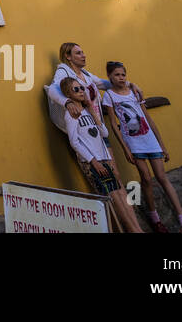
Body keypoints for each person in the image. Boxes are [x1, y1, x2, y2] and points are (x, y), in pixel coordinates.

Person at [102, 61, 182, 233]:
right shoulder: (109, 96)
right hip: (134, 143)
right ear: (109, 77)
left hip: (150, 140)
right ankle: (155, 219)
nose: (120, 78)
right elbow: (114, 125)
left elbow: (148, 118)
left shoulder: (135, 92)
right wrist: (125, 149)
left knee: (162, 177)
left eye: (123, 74)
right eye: (116, 75)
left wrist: (162, 144)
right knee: (145, 178)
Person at [60, 77, 143, 233]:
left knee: (119, 194)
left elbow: (104, 133)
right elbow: (74, 142)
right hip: (92, 162)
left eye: (81, 88)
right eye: (75, 89)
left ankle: (136, 229)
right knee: (113, 199)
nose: (80, 92)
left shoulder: (87, 111)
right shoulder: (71, 114)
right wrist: (94, 162)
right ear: (68, 94)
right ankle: (132, 230)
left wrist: (92, 110)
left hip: (104, 158)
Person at [46, 42, 139, 127]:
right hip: (83, 126)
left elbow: (104, 84)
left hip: (97, 122)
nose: (84, 56)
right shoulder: (63, 72)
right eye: (78, 53)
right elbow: (52, 89)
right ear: (68, 56)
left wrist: (130, 85)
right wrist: (67, 102)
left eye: (83, 52)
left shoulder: (84, 73)